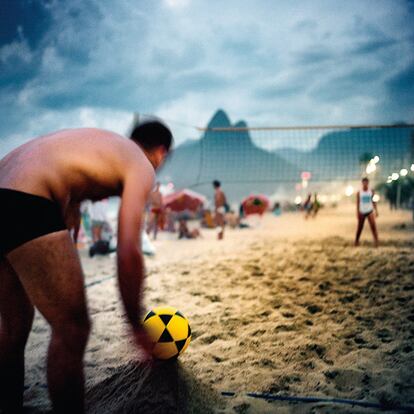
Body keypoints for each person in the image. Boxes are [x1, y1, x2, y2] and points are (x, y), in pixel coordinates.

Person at [0, 121, 172, 413]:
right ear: (161, 152)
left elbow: (64, 175)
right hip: (25, 197)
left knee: (14, 330)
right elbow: (129, 248)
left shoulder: (97, 144)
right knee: (72, 327)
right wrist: (135, 324)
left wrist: (71, 208)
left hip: (6, 182)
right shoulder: (141, 165)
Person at [355, 177, 379, 247]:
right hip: (362, 211)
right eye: (364, 182)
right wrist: (357, 212)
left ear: (368, 183)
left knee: (373, 226)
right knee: (360, 227)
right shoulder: (359, 192)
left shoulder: (371, 191)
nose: (365, 184)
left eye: (366, 182)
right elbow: (358, 203)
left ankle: (376, 241)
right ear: (362, 183)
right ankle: (356, 241)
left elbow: (374, 201)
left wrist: (376, 211)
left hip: (370, 211)